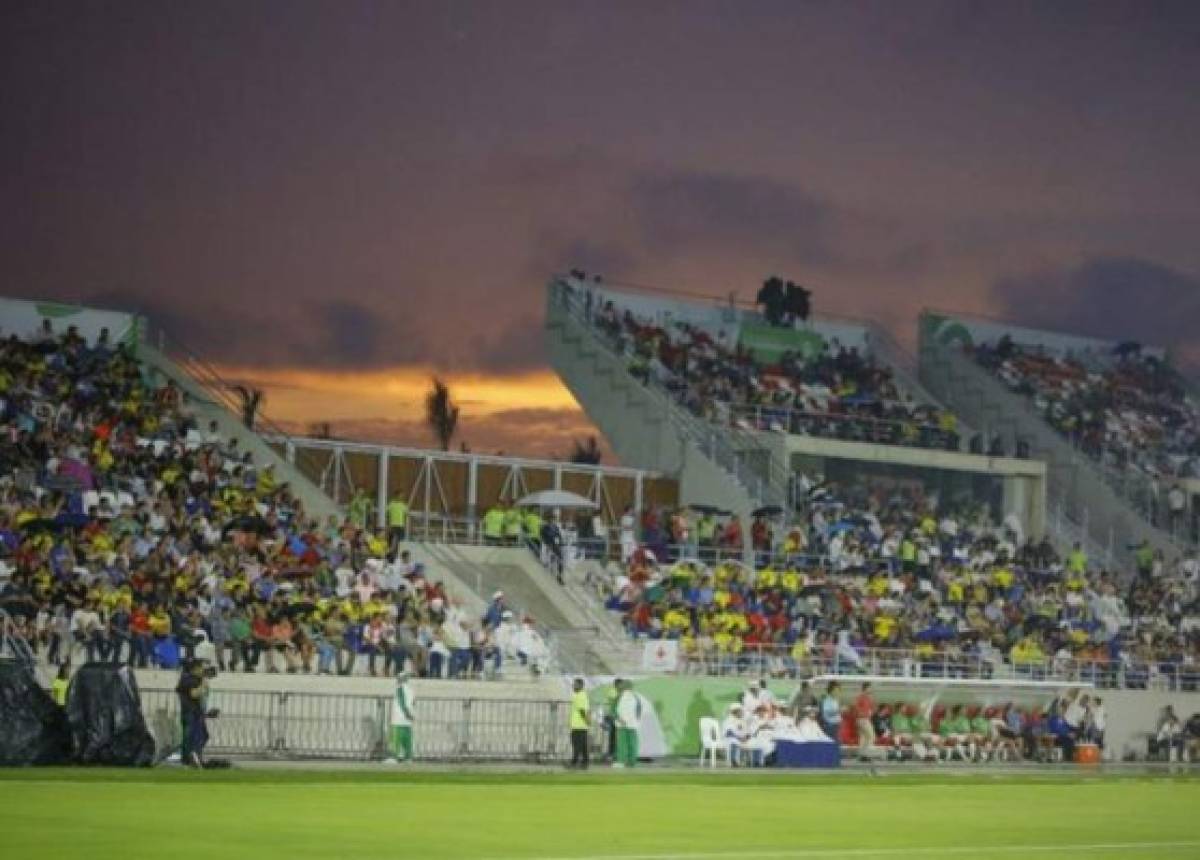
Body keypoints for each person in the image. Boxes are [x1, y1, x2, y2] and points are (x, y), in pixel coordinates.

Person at [176, 659, 212, 768]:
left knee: (201, 735)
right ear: (195, 668)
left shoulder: (195, 679)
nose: (203, 670)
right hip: (190, 712)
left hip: (196, 712)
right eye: (201, 667)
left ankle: (194, 757)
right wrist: (203, 685)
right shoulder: (188, 679)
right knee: (191, 737)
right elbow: (194, 694)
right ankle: (190, 758)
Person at [388, 670, 415, 763]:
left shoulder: (400, 689)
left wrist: (406, 713)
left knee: (396, 737)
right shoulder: (410, 690)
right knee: (407, 739)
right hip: (407, 719)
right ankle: (408, 757)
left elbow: (402, 702)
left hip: (399, 717)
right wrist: (411, 715)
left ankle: (393, 757)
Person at [614, 679, 641, 768]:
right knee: (632, 743)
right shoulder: (636, 697)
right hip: (632, 724)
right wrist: (636, 720)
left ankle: (622, 761)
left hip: (622, 724)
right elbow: (639, 710)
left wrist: (619, 719)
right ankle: (631, 761)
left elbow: (613, 710)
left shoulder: (619, 697)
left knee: (623, 743)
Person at [569, 678, 590, 769]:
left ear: (581, 685)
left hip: (579, 724)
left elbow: (582, 710)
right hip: (579, 724)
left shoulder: (581, 696)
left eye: (575, 684)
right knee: (583, 745)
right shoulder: (579, 695)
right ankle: (585, 762)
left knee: (577, 744)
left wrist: (586, 720)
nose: (573, 686)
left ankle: (574, 762)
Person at [853, 682, 876, 760]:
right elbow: (856, 707)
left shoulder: (869, 698)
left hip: (866, 719)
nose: (871, 689)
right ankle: (866, 753)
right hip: (861, 719)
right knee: (871, 735)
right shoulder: (860, 697)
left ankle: (862, 755)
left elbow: (872, 708)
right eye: (869, 688)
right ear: (865, 688)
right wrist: (863, 713)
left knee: (863, 737)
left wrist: (871, 712)